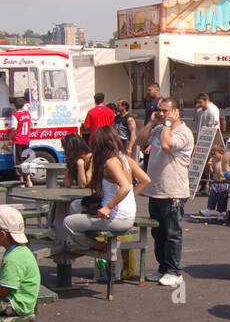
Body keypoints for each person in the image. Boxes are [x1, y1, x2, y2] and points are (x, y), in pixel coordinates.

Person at [55, 125, 149, 264]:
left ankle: (96, 245)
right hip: (126, 214)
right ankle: (91, 240)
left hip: (116, 218)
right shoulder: (125, 159)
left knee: (68, 223)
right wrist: (129, 200)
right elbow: (145, 180)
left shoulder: (111, 163)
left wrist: (108, 207)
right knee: (75, 205)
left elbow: (124, 187)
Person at [135, 96, 193, 288]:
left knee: (172, 233)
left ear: (176, 112)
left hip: (174, 191)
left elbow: (167, 146)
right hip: (156, 190)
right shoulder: (159, 128)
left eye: (165, 111)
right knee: (158, 233)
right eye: (158, 110)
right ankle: (162, 268)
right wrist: (152, 123)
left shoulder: (183, 132)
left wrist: (167, 123)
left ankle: (174, 271)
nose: (160, 114)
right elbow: (140, 141)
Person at [10, 96, 34, 186]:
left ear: (15, 106)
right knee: (26, 160)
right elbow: (31, 127)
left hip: (18, 140)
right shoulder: (27, 114)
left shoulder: (15, 115)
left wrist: (10, 138)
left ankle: (21, 180)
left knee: (19, 161)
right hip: (26, 140)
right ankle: (29, 180)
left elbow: (13, 129)